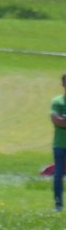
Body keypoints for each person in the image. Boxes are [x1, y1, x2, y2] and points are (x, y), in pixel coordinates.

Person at [51, 73, 66, 212]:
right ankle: (58, 205)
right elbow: (57, 121)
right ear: (63, 84)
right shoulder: (57, 102)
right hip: (60, 145)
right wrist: (61, 121)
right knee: (58, 175)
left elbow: (62, 121)